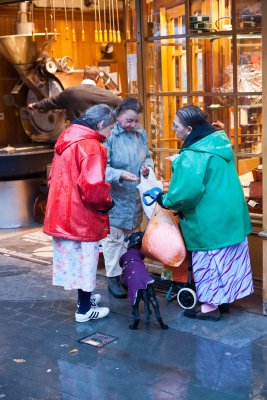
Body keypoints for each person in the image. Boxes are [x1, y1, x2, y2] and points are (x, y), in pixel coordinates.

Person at [156, 105, 253, 321]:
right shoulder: (217, 144)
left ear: (189, 129)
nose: (173, 130)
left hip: (209, 220)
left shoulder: (193, 155)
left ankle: (210, 307)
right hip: (230, 215)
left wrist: (165, 199)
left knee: (210, 263)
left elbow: (185, 194)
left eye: (176, 126)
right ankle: (224, 300)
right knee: (229, 260)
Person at [43, 104, 116, 323]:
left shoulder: (67, 138)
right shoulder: (92, 146)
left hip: (62, 211)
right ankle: (84, 310)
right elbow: (93, 188)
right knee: (86, 260)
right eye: (110, 128)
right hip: (82, 216)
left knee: (77, 261)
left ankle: (85, 300)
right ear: (101, 124)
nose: (110, 134)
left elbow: (53, 177)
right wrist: (107, 202)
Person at [101, 97, 154, 298]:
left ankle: (127, 274)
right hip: (115, 196)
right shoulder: (109, 135)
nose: (133, 125)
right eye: (129, 120)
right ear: (118, 114)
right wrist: (119, 174)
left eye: (135, 121)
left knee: (130, 239)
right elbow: (100, 168)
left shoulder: (140, 133)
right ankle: (113, 277)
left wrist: (148, 167)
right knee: (113, 239)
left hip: (134, 195)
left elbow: (148, 155)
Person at [28, 65, 121, 121]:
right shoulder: (106, 95)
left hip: (76, 136)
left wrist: (36, 105)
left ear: (83, 76)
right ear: (97, 78)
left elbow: (52, 102)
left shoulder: (71, 92)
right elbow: (120, 103)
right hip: (96, 138)